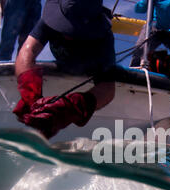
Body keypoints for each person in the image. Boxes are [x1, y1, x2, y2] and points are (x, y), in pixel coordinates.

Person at [13, 0, 116, 139]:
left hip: (90, 70)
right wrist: (31, 99)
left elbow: (108, 88)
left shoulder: (104, 38)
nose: (67, 32)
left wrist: (69, 108)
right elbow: (28, 50)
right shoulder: (49, 19)